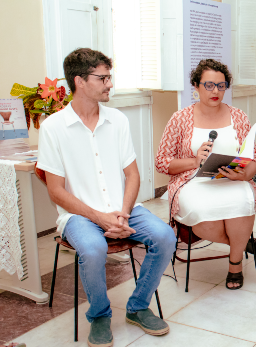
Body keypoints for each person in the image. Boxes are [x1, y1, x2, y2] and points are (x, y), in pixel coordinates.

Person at [37, 48, 176, 347]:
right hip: (78, 215)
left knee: (164, 236)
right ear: (80, 81)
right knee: (93, 247)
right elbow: (56, 191)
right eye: (102, 78)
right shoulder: (53, 128)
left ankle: (137, 307)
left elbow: (133, 175)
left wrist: (123, 214)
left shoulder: (118, 121)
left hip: (123, 208)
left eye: (109, 77)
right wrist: (100, 218)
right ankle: (99, 315)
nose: (109, 84)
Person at [155, 58, 256, 291]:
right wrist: (194, 161)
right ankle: (243, 243)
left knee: (243, 201)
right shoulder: (180, 119)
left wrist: (244, 175)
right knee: (202, 214)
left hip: (232, 179)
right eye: (208, 85)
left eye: (221, 85)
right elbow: (162, 163)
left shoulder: (238, 116)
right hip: (192, 182)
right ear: (196, 86)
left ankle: (235, 265)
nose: (215, 91)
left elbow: (254, 160)